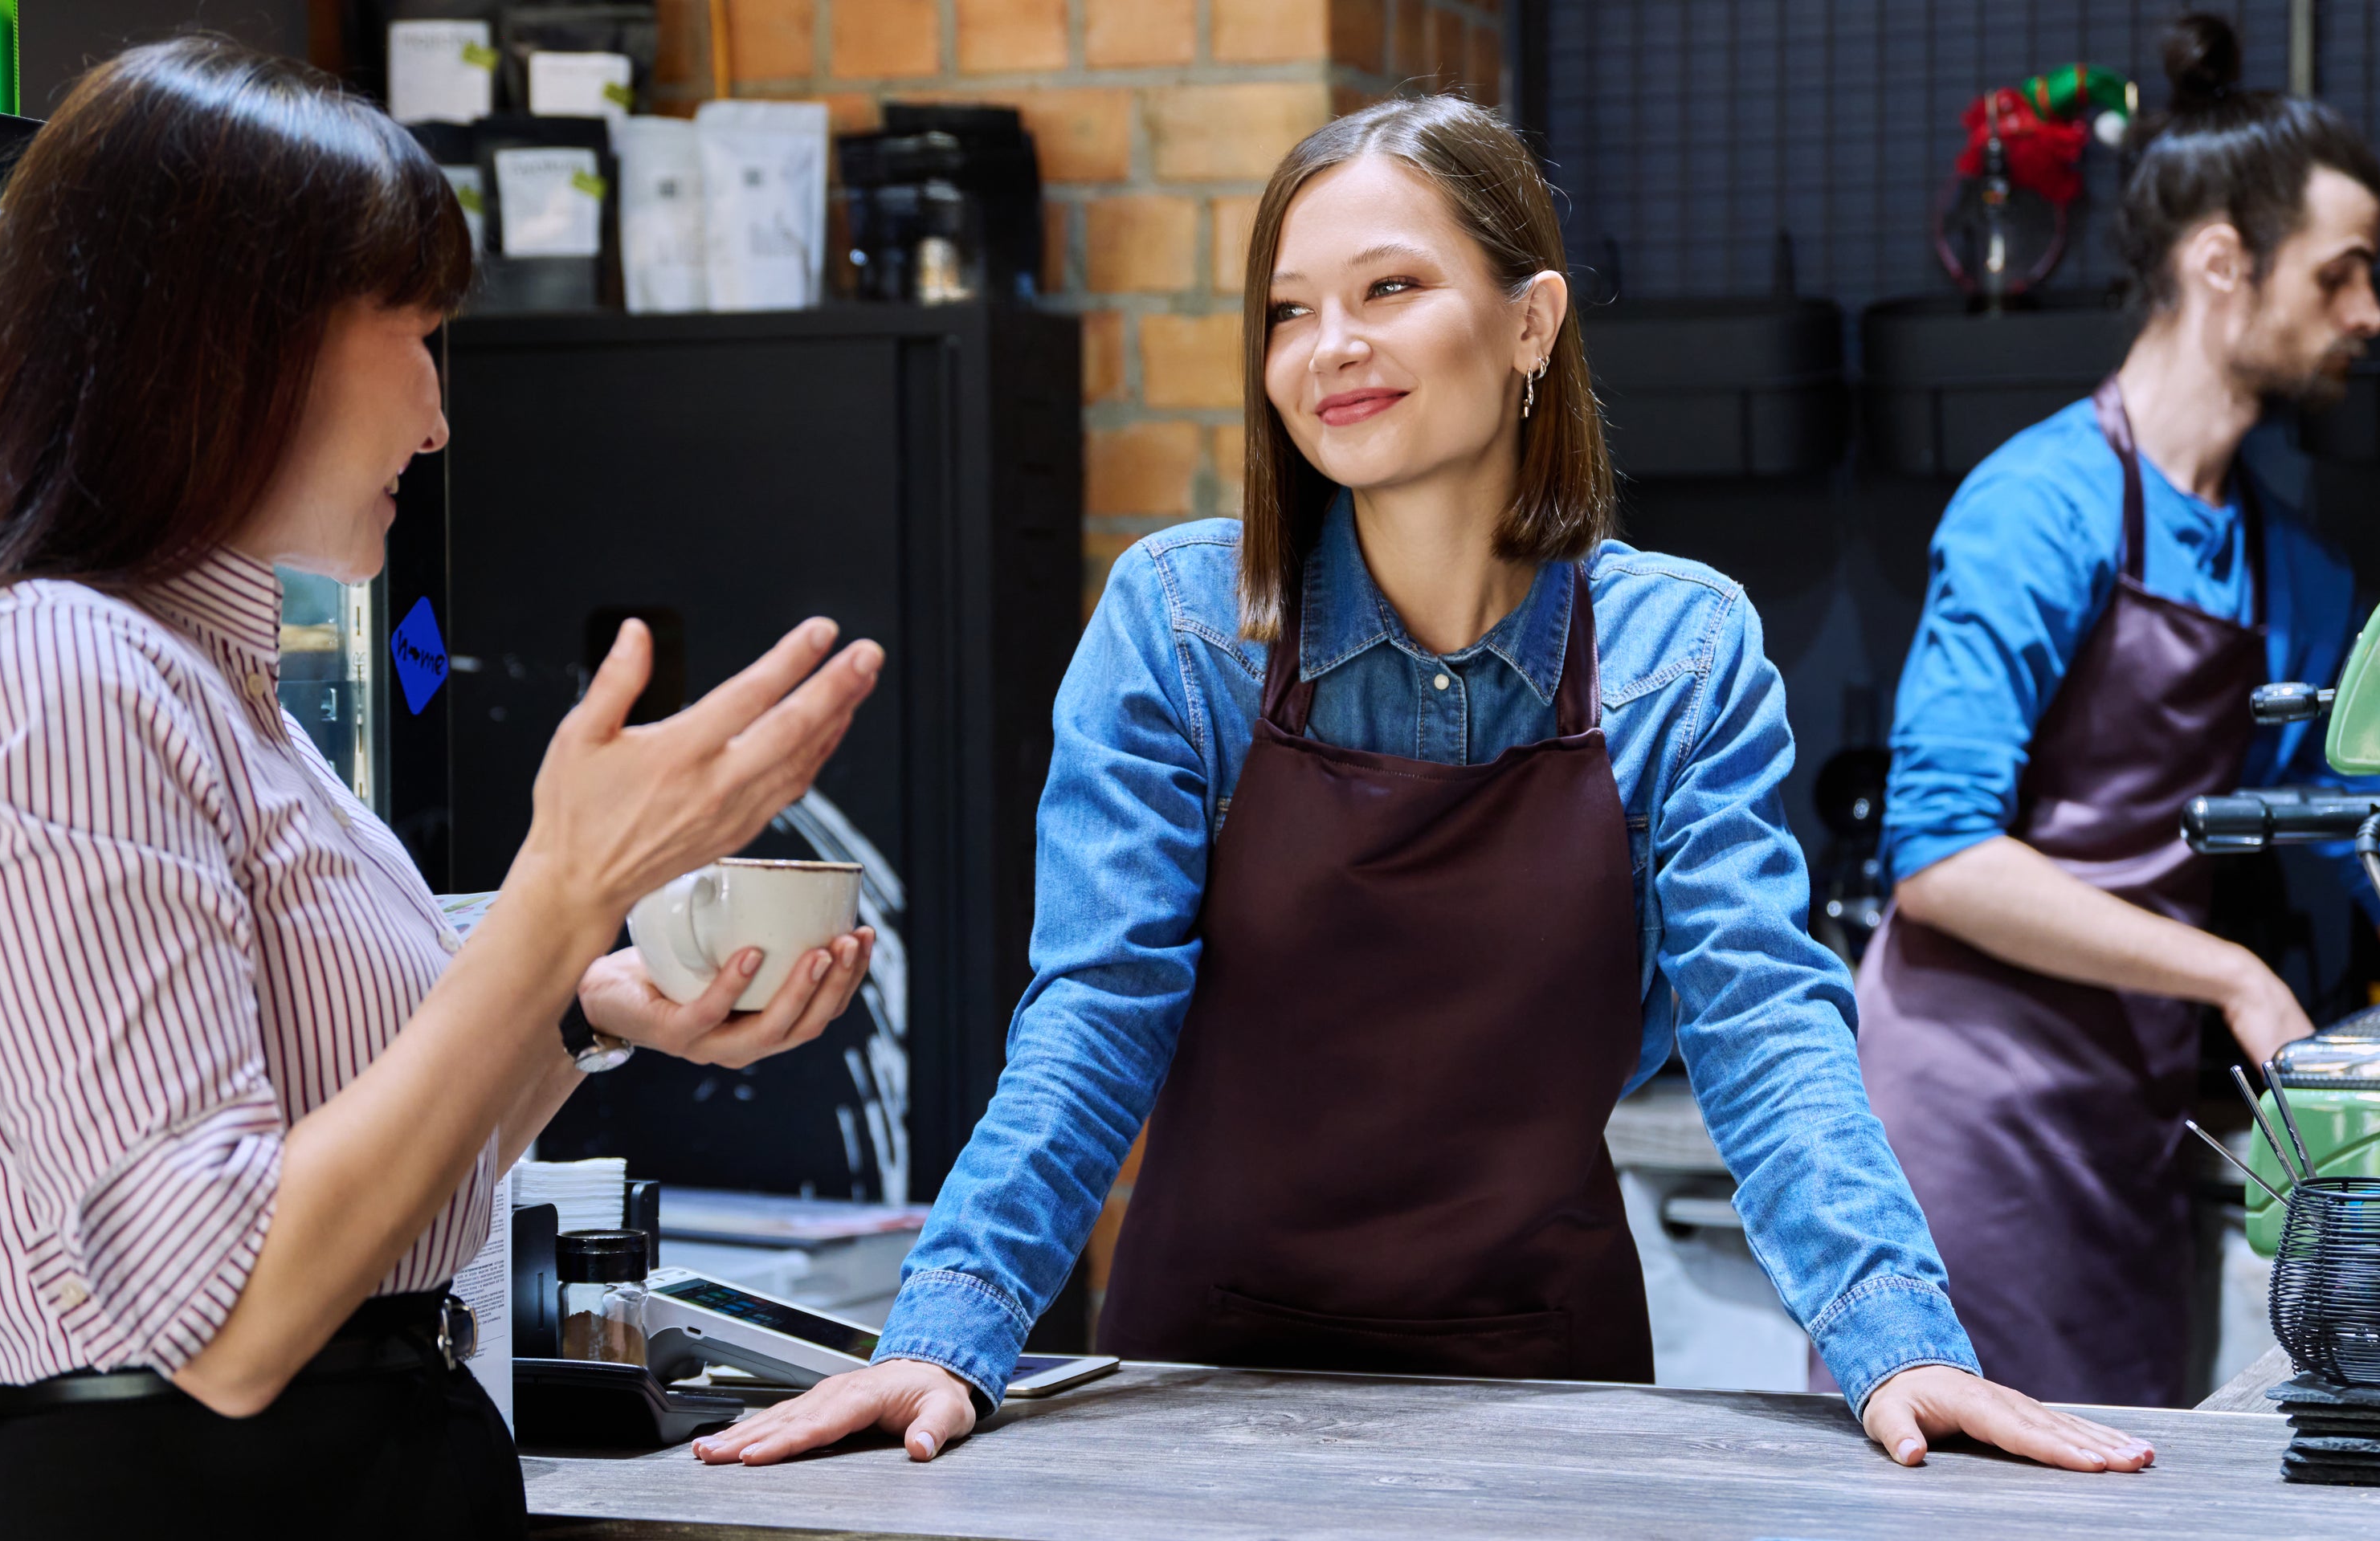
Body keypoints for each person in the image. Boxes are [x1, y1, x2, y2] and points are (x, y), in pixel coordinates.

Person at [694, 95, 2153, 1476]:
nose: (1329, 347)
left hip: (1549, 1393)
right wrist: (947, 1334)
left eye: (1388, 289)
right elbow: (1092, 1016)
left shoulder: (1677, 651)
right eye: (1287, 309)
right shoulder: (1183, 627)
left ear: (1533, 319)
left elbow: (1763, 1026)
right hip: (1203, 1386)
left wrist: (1899, 1349)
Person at [0, 39, 879, 1539]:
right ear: (238, 340)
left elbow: (379, 1188)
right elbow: (239, 1319)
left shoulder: (218, 689)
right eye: (416, 336)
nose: (440, 418)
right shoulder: (61, 666)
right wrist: (557, 897)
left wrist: (585, 1006)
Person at [1855, 12, 2380, 1409]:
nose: (2371, 316)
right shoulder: (2041, 507)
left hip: (2136, 1132)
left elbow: (2343, 837)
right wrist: (2231, 978)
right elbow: (1940, 858)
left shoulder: (2298, 569)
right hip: (1969, 1127)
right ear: (2224, 261)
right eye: (2342, 276)